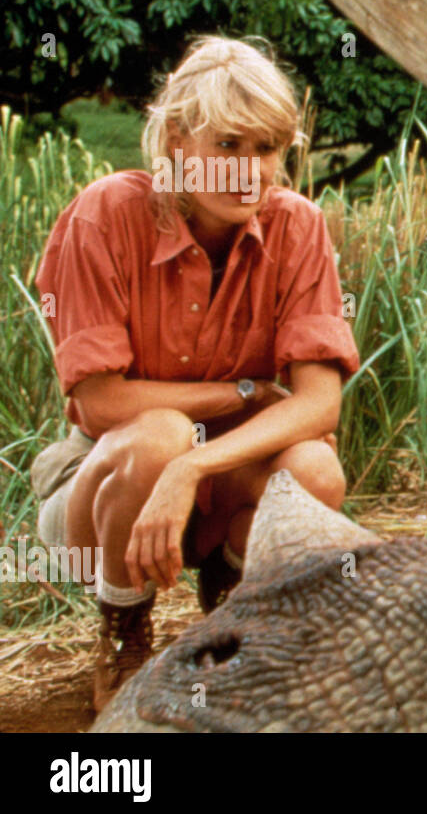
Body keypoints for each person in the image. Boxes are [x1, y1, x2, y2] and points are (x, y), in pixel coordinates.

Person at [31, 35, 360, 712]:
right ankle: (123, 625)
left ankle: (230, 614)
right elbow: (99, 405)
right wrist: (235, 394)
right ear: (178, 141)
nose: (252, 171)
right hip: (102, 487)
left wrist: (193, 468)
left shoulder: (297, 226)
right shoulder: (106, 214)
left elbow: (319, 404)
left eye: (268, 149)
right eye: (230, 146)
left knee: (316, 470)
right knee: (159, 436)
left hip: (212, 479)